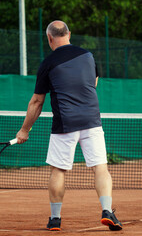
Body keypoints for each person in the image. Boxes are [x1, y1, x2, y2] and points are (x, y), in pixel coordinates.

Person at [15, 20, 122, 231]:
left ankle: (55, 219)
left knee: (59, 171)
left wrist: (24, 129)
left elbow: (37, 101)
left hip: (65, 123)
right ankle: (107, 211)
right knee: (100, 168)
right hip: (92, 120)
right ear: (69, 34)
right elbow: (94, 83)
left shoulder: (48, 63)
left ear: (49, 38)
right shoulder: (88, 56)